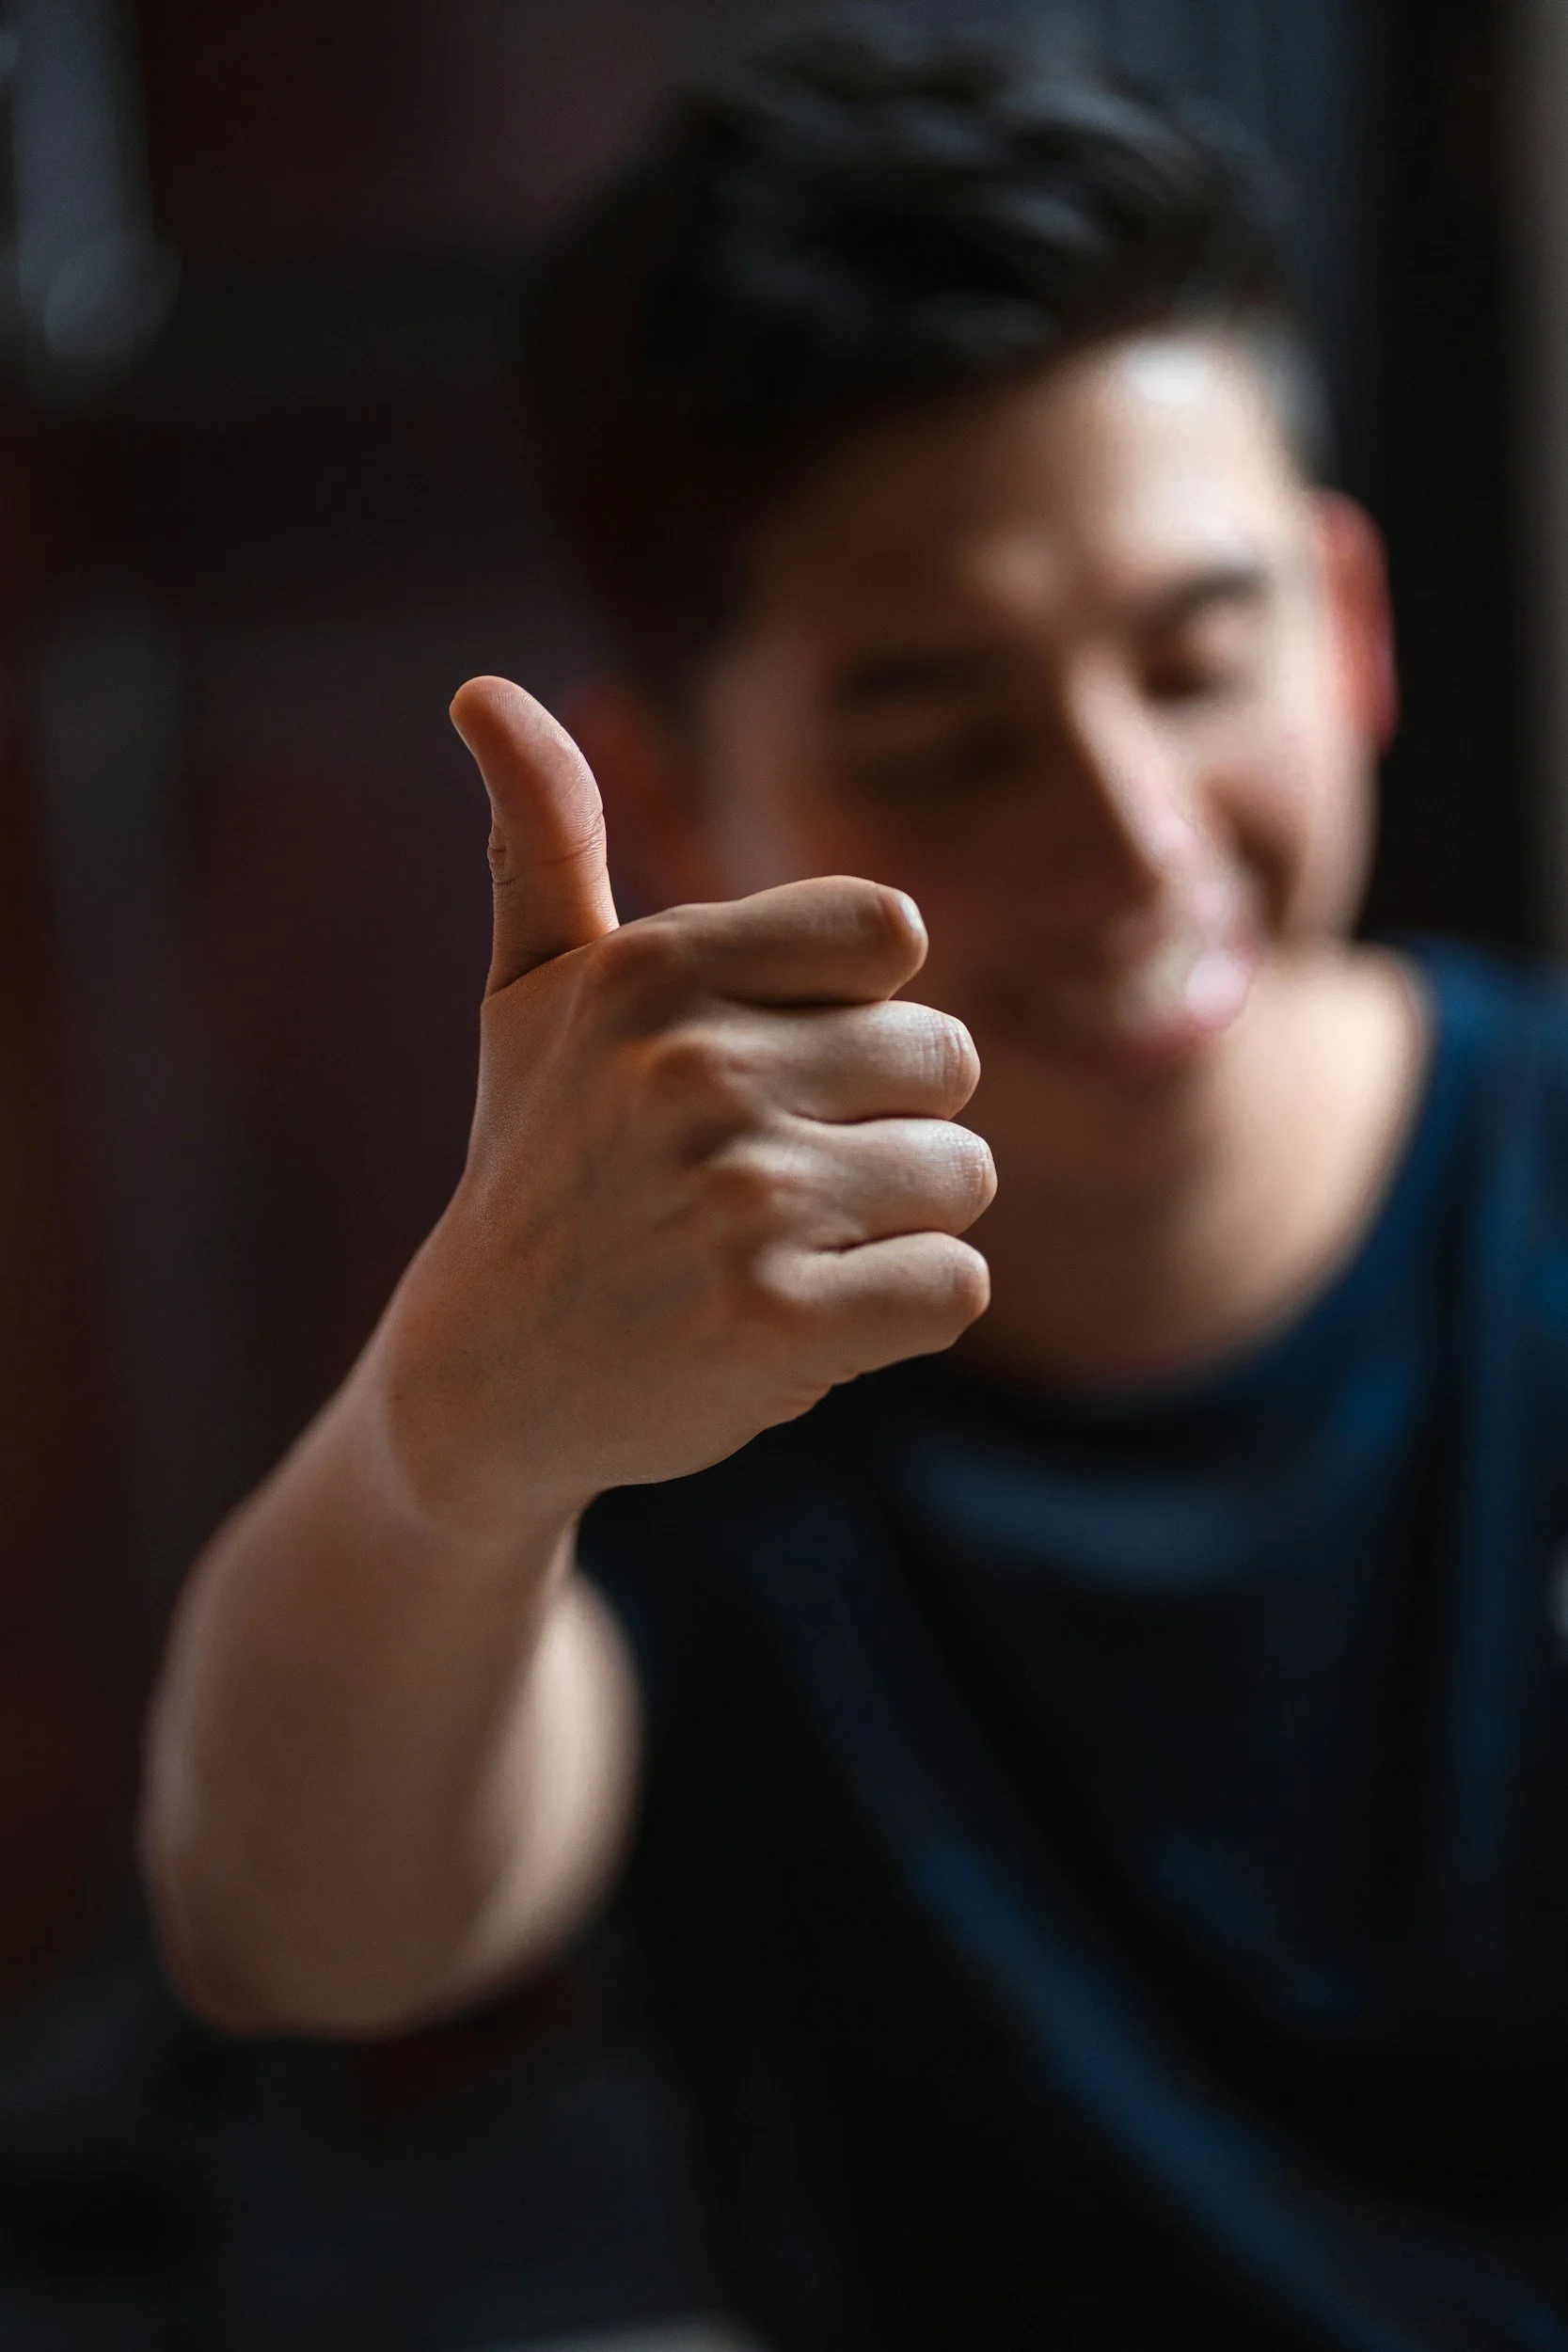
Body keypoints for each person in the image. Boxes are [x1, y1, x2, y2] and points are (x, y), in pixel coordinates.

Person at [140, 19, 1568, 2348]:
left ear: (1349, 618)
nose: (1130, 838)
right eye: (945, 732)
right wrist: (453, 1436)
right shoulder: (670, 1357)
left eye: (1200, 657)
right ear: (673, 791)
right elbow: (297, 1925)